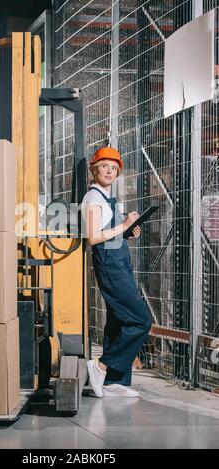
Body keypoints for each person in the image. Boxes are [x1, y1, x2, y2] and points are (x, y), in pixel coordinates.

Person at [82, 147, 152, 398]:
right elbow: (92, 238)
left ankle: (115, 383)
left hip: (119, 261)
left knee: (119, 319)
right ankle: (101, 366)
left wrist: (127, 232)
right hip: (110, 264)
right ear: (94, 169)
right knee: (140, 320)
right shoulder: (94, 199)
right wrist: (122, 226)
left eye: (114, 167)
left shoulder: (106, 198)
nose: (110, 170)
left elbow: (108, 234)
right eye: (104, 166)